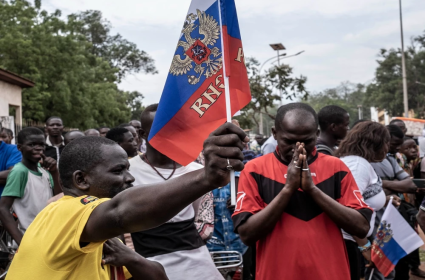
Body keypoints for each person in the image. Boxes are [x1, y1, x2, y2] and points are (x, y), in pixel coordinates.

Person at [6, 122, 247, 279]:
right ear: (81, 180)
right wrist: (207, 177)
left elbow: (157, 276)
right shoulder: (62, 212)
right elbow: (121, 212)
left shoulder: (102, 236)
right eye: (118, 170)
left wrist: (131, 258)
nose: (130, 177)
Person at [232, 103, 371, 280]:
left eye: (307, 141)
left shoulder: (336, 168)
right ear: (275, 134)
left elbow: (361, 227)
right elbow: (247, 234)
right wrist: (288, 188)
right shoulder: (254, 170)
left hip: (330, 273)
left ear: (317, 134)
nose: (298, 148)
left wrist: (312, 190)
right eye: (289, 141)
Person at [128, 104, 223, 280]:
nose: (168, 137)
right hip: (146, 264)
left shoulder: (197, 171)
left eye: (173, 130)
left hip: (197, 265)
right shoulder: (128, 172)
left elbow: (203, 221)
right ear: (142, 134)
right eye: (159, 131)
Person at [336, 122, 392, 280]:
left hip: (351, 240)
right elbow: (348, 208)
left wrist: (385, 200)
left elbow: (359, 197)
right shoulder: (357, 165)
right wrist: (365, 246)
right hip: (347, 241)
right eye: (386, 143)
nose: (388, 148)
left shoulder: (357, 162)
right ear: (375, 144)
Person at [368, 125, 418, 280]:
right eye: (392, 143)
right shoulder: (364, 162)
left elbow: (409, 185)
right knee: (379, 262)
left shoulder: (390, 159)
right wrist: (394, 183)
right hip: (374, 216)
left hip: (394, 211)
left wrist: (378, 183)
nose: (396, 148)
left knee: (401, 257)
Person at [0, 127, 61, 246]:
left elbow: (59, 198)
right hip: (31, 239)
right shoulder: (19, 172)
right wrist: (21, 242)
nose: (38, 148)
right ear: (19, 148)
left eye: (41, 144)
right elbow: (3, 208)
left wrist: (54, 172)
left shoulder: (44, 170)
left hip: (47, 236)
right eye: (32, 144)